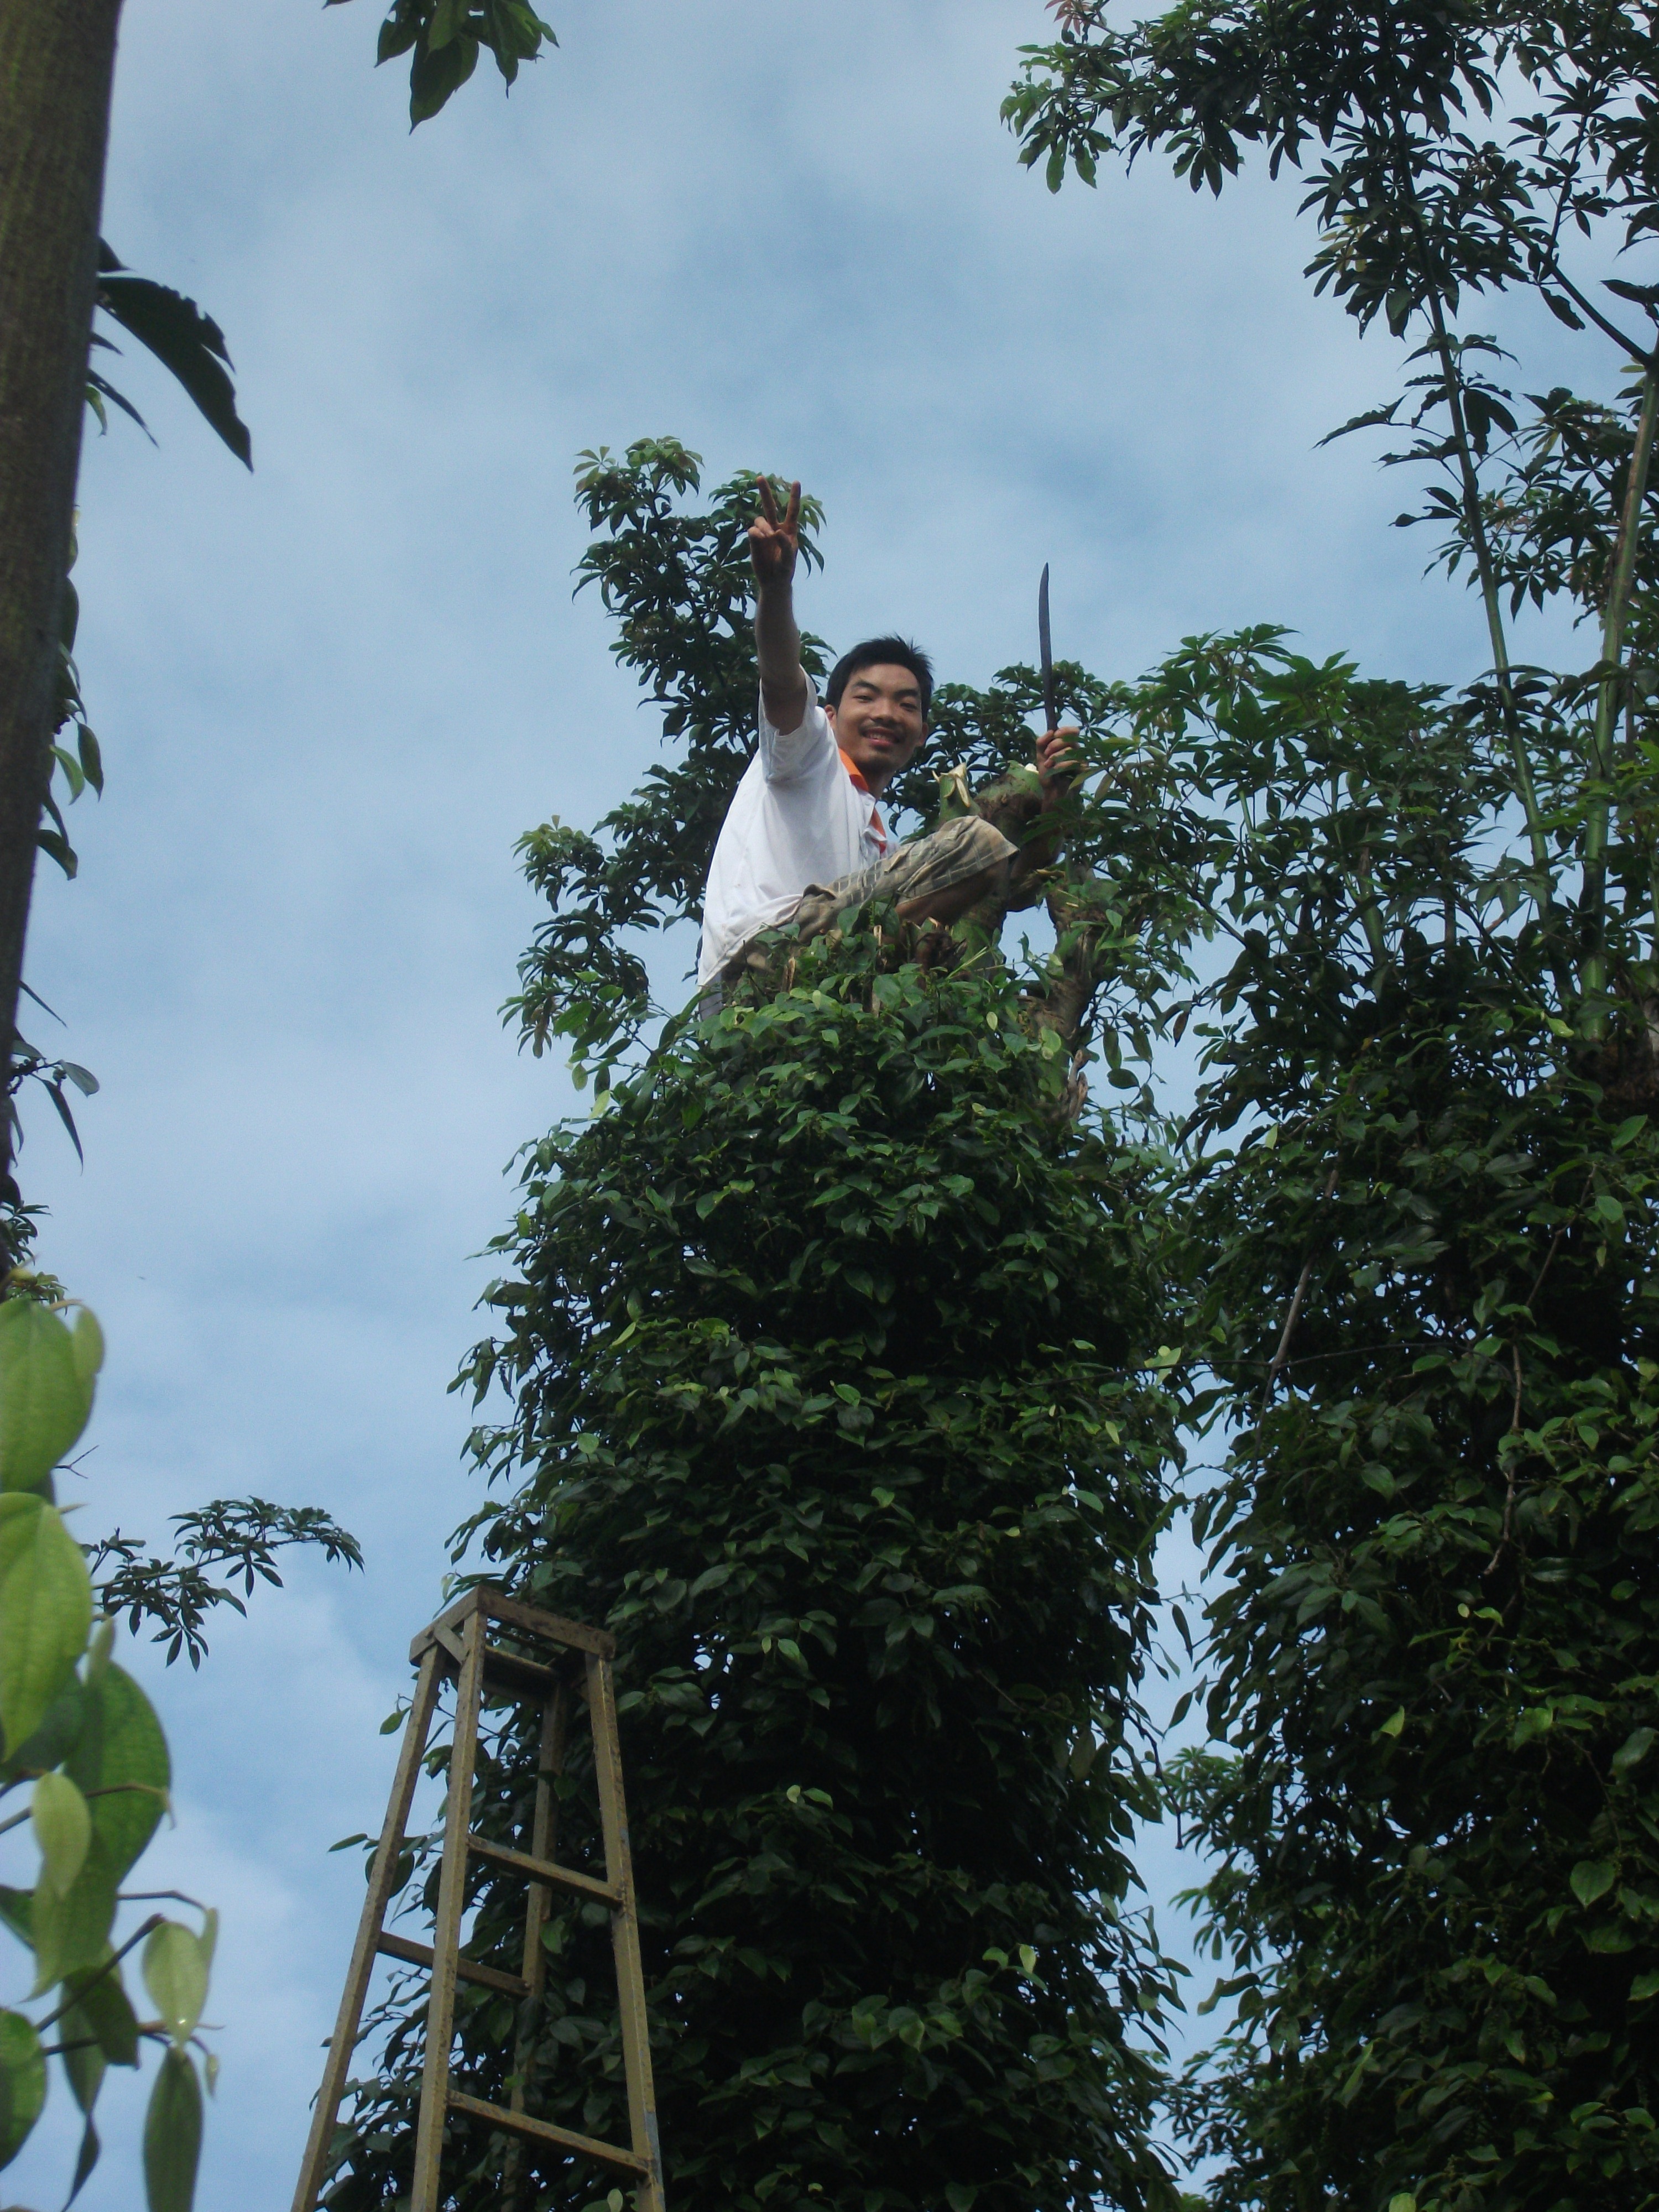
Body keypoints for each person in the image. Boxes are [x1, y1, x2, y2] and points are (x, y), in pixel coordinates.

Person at [697, 477, 1078, 990]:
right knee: (971, 842)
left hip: (796, 1007)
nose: (887, 713)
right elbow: (783, 681)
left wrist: (1052, 806)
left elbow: (1007, 886)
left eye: (907, 705)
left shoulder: (880, 845)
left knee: (957, 954)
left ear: (922, 734)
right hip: (759, 959)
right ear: (828, 716)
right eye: (866, 697)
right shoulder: (807, 752)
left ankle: (867, 984)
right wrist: (775, 590)